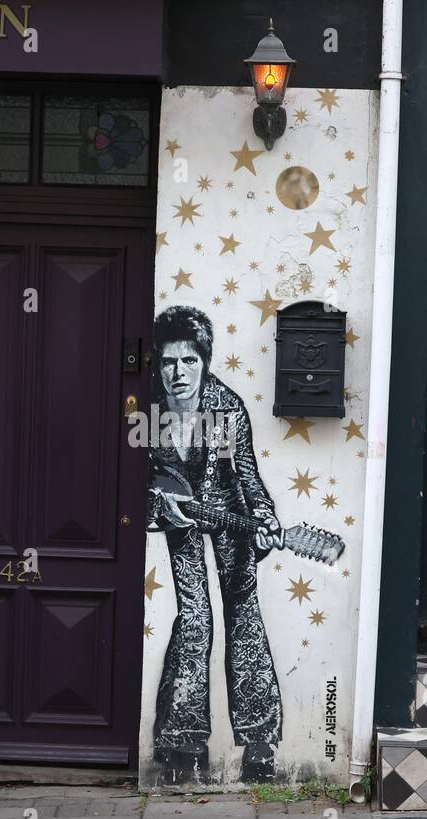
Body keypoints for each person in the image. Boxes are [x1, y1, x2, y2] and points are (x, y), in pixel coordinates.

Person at [147, 305, 284, 784]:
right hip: (177, 519)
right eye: (168, 361)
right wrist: (154, 508)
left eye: (188, 361)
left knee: (242, 614)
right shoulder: (146, 410)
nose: (178, 372)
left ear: (204, 363)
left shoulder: (226, 408)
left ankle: (260, 742)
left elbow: (247, 474)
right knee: (195, 619)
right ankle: (182, 740)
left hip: (230, 516)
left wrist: (265, 520)